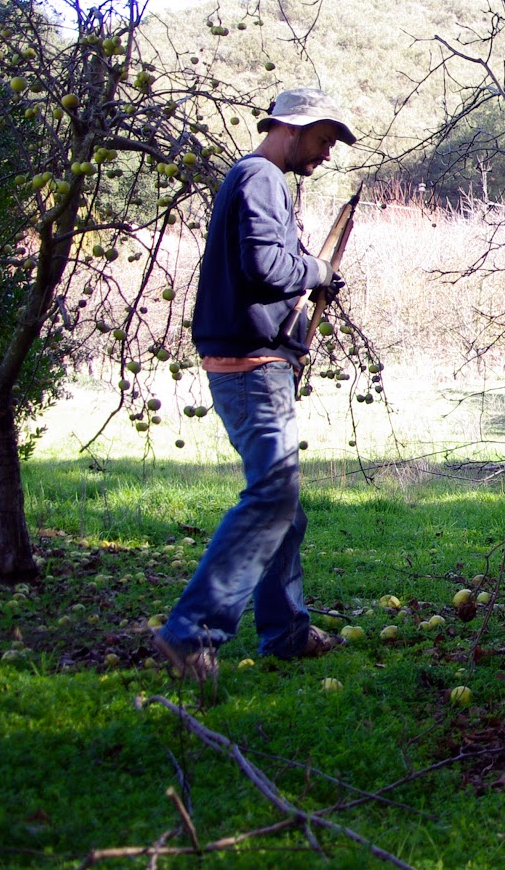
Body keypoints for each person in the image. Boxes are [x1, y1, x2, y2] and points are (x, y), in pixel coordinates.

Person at [153, 88, 356, 681]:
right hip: (250, 367)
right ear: (292, 128)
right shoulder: (262, 177)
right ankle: (191, 634)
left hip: (252, 361)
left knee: (284, 505)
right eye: (321, 141)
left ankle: (287, 632)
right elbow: (267, 268)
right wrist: (316, 271)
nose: (323, 156)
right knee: (272, 494)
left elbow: (263, 269)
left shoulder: (258, 180)